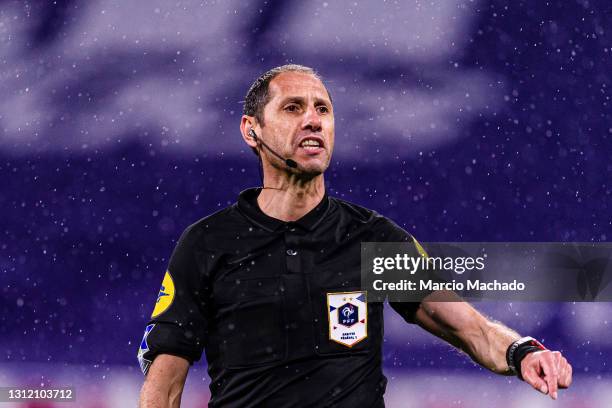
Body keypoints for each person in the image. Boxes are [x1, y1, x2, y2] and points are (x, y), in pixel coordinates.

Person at [137, 65, 572, 407]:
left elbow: (468, 328)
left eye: (322, 109)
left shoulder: (371, 239)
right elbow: (165, 385)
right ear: (251, 130)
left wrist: (523, 351)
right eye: (292, 108)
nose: (313, 120)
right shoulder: (209, 243)